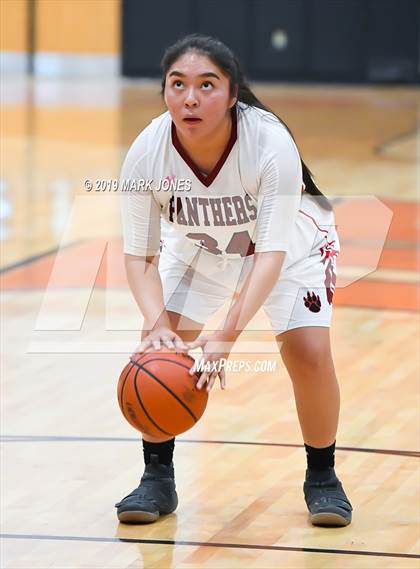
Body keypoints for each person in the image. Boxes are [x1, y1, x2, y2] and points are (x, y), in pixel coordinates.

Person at [115, 34, 352, 527]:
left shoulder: (269, 143)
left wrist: (226, 336)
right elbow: (139, 257)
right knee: (158, 343)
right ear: (163, 90)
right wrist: (157, 321)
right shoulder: (147, 153)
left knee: (308, 351)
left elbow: (268, 255)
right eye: (177, 84)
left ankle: (323, 478)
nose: (191, 98)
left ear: (232, 92)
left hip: (289, 246)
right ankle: (156, 477)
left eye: (207, 84)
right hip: (204, 247)